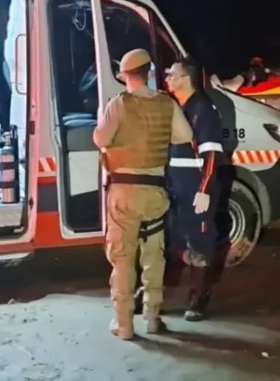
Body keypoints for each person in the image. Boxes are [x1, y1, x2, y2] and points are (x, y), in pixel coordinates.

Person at [93, 48, 193, 340]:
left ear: (125, 75)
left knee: (123, 257)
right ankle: (152, 318)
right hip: (155, 192)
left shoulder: (118, 104)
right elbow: (185, 136)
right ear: (148, 72)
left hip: (123, 193)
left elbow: (101, 139)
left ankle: (124, 325)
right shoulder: (166, 103)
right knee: (154, 257)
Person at [164, 57, 232, 321]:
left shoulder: (202, 109)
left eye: (172, 74)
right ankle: (159, 294)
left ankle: (199, 297)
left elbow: (212, 154)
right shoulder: (176, 107)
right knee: (175, 241)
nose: (168, 78)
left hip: (196, 188)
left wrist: (204, 189)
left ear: (186, 79)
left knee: (200, 242)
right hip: (176, 187)